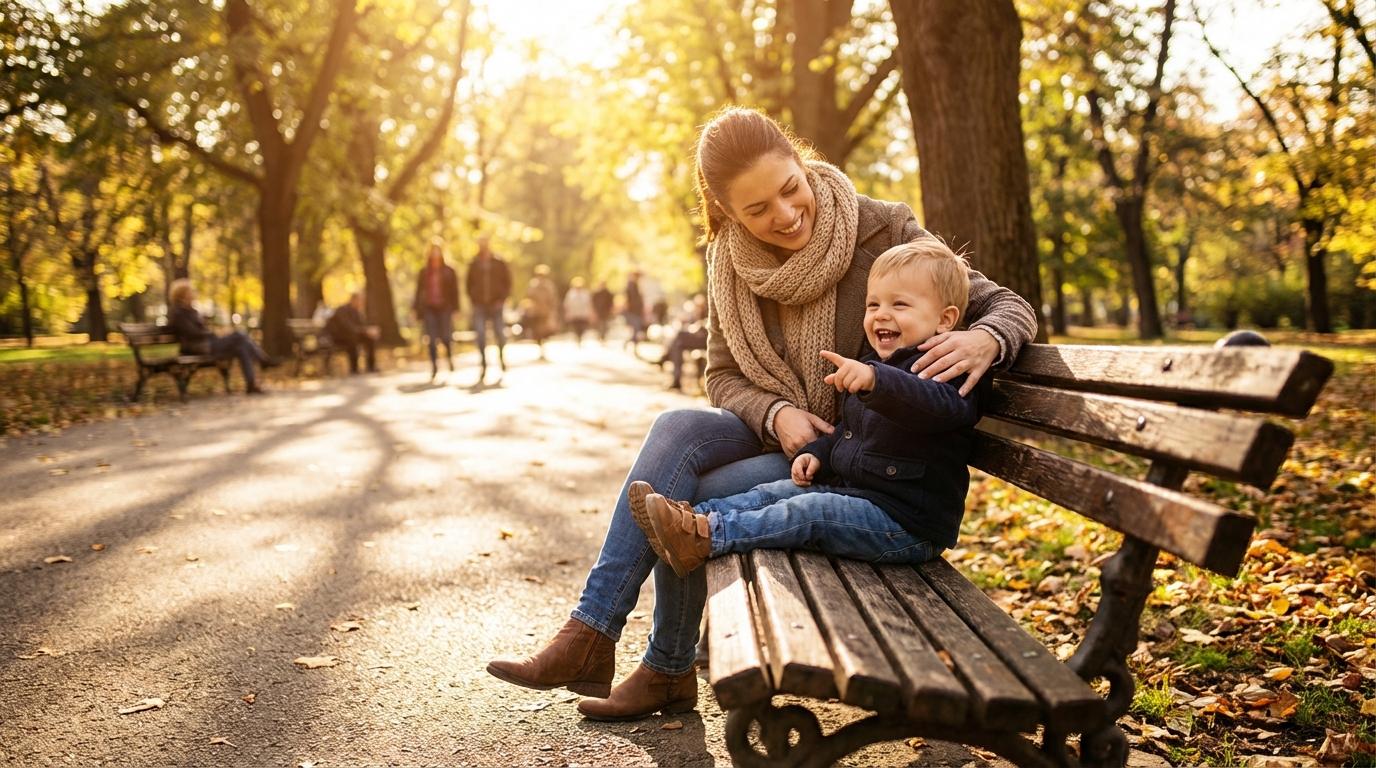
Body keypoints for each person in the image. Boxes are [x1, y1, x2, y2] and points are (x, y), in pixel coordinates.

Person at [486, 106, 1037, 721]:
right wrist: (776, 413)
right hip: (794, 438)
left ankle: (655, 664)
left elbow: (1002, 303)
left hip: (852, 447)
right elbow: (720, 374)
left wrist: (988, 340)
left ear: (803, 164)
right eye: (756, 210)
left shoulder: (884, 229)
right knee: (675, 430)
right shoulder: (730, 265)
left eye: (790, 188)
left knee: (687, 494)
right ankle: (592, 634)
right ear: (726, 213)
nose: (784, 214)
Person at [632, 240, 981, 582]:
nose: (881, 314)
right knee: (774, 493)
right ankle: (691, 521)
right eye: (873, 304)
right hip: (859, 500)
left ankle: (709, 536)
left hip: (907, 526)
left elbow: (935, 407)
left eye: (900, 304)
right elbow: (851, 432)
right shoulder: (873, 365)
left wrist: (879, 381)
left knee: (809, 512)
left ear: (945, 319)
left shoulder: (950, 369)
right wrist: (818, 454)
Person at [166, 278, 278, 394]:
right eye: (189, 293)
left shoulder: (190, 311)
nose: (193, 295)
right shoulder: (179, 313)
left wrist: (212, 332)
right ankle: (262, 360)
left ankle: (251, 384)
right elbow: (192, 333)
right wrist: (213, 333)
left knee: (241, 347)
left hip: (206, 344)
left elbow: (200, 330)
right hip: (198, 347)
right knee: (239, 334)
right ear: (182, 295)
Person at [413, 238, 460, 380]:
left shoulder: (449, 270)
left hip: (445, 307)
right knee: (431, 338)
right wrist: (414, 309)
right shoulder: (424, 272)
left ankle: (450, 358)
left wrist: (456, 309)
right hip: (429, 308)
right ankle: (434, 367)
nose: (435, 253)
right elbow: (418, 291)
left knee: (445, 336)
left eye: (437, 251)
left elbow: (455, 291)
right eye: (433, 251)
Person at [466, 233, 512, 378]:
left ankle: (501, 358)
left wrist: (502, 298)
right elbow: (468, 284)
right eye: (481, 242)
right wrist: (473, 300)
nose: (483, 244)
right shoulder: (474, 263)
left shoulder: (498, 261)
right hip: (480, 305)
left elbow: (508, 281)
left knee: (500, 333)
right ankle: (483, 363)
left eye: (485, 242)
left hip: (496, 304)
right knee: (480, 334)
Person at [657, 295, 708, 391]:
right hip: (699, 338)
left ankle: (665, 359)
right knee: (677, 344)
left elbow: (705, 326)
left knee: (679, 337)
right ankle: (675, 378)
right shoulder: (697, 313)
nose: (698, 308)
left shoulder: (708, 312)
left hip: (705, 340)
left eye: (699, 305)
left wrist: (696, 326)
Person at [325, 291, 380, 374]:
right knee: (352, 338)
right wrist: (365, 331)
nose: (360, 303)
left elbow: (362, 325)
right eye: (359, 300)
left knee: (369, 338)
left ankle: (371, 366)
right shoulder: (342, 310)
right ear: (352, 300)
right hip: (337, 337)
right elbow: (348, 327)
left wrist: (369, 330)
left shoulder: (356, 312)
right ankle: (354, 368)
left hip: (352, 335)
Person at [526, 265, 559, 360]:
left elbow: (552, 298)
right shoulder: (534, 284)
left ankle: (542, 347)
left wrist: (551, 309)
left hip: (545, 311)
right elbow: (530, 296)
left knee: (544, 330)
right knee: (537, 330)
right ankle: (540, 346)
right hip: (537, 311)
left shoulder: (548, 285)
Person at [564, 277, 594, 347]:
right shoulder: (570, 294)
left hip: (583, 314)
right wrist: (567, 313)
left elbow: (589, 304)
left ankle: (580, 337)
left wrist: (590, 313)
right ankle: (578, 337)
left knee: (583, 327)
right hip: (574, 314)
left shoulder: (585, 293)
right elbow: (567, 304)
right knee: (576, 327)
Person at [622, 270, 646, 356]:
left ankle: (630, 344)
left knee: (636, 330)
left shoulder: (634, 285)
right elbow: (632, 299)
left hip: (635, 311)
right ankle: (632, 346)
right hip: (634, 311)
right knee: (636, 329)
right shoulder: (631, 285)